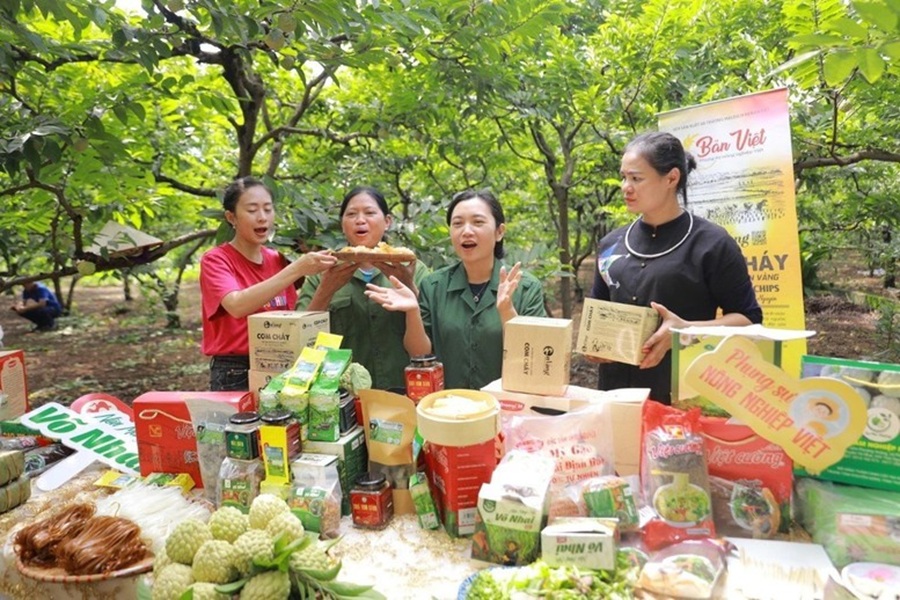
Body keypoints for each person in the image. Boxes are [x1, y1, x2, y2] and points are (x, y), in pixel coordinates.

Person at [590, 131, 762, 403]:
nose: (626, 187)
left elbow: (749, 320)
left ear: (671, 178)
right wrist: (595, 344)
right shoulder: (611, 244)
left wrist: (685, 331)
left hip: (682, 397)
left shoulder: (713, 244)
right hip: (614, 397)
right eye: (624, 177)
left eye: (636, 178)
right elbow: (597, 316)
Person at [365, 189, 547, 390]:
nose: (466, 231)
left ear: (499, 232)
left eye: (478, 222)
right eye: (457, 223)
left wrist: (506, 312)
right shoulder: (433, 286)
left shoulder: (526, 287)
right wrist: (413, 311)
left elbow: (537, 361)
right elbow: (419, 355)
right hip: (449, 407)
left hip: (508, 407)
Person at [200, 176, 337, 391]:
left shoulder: (278, 259)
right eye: (252, 210)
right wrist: (298, 268)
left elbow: (293, 319)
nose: (262, 217)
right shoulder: (216, 260)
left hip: (283, 364)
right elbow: (237, 306)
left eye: (268, 209)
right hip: (236, 371)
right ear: (231, 217)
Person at [297, 186, 429, 390]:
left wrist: (409, 285)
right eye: (351, 214)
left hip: (403, 390)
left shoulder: (413, 268)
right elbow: (301, 341)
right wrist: (326, 290)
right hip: (340, 393)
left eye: (369, 213)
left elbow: (431, 335)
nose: (360, 220)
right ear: (342, 224)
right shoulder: (321, 271)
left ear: (387, 222)